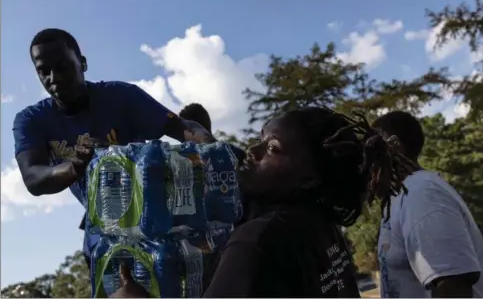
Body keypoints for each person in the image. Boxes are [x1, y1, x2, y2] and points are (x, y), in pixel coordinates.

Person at [112, 106, 414, 298]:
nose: (252, 150)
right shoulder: (322, 226)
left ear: (309, 177)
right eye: (259, 139)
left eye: (272, 148)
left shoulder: (258, 240)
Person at [13, 28, 214, 272]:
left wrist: (211, 146)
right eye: (43, 71)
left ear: (83, 63)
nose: (53, 78)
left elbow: (182, 127)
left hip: (159, 221)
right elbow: (33, 177)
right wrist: (73, 167)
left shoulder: (122, 96)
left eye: (62, 66)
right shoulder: (31, 120)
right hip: (103, 234)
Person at [373, 111, 483, 298]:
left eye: (372, 147)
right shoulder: (400, 196)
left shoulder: (422, 194)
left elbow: (453, 288)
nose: (364, 159)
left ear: (394, 146)